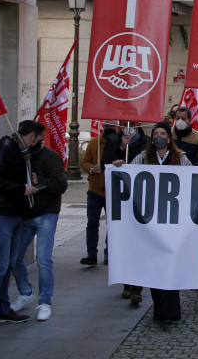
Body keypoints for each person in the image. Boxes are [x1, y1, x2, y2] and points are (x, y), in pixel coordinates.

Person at [0, 120, 44, 332]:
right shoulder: (5, 148)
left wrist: (28, 180)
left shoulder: (21, 151)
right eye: (39, 139)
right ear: (31, 136)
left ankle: (2, 308)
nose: (39, 144)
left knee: (7, 265)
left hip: (14, 214)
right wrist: (21, 188)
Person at [131, 122, 192, 327]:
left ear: (169, 137)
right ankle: (159, 309)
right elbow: (130, 177)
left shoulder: (180, 158)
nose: (159, 136)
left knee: (170, 265)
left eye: (162, 133)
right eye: (155, 133)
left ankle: (170, 312)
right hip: (150, 221)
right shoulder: (142, 158)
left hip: (173, 221)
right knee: (155, 266)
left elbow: (192, 179)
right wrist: (120, 167)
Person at [9, 140, 67, 321]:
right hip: (25, 214)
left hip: (46, 213)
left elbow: (61, 185)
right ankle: (26, 291)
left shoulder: (50, 157)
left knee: (43, 259)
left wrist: (40, 182)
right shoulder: (18, 155)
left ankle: (45, 302)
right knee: (14, 257)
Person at [101, 125, 149, 304]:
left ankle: (136, 286)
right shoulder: (113, 140)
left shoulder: (146, 142)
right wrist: (121, 149)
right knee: (126, 242)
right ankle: (128, 282)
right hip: (124, 200)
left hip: (142, 201)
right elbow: (104, 164)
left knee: (139, 244)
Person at [80, 121, 117, 266]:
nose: (109, 129)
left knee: (112, 224)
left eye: (112, 126)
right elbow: (84, 162)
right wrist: (91, 168)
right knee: (92, 223)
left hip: (112, 191)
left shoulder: (120, 144)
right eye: (106, 126)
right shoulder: (94, 142)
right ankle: (91, 253)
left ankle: (109, 252)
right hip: (95, 190)